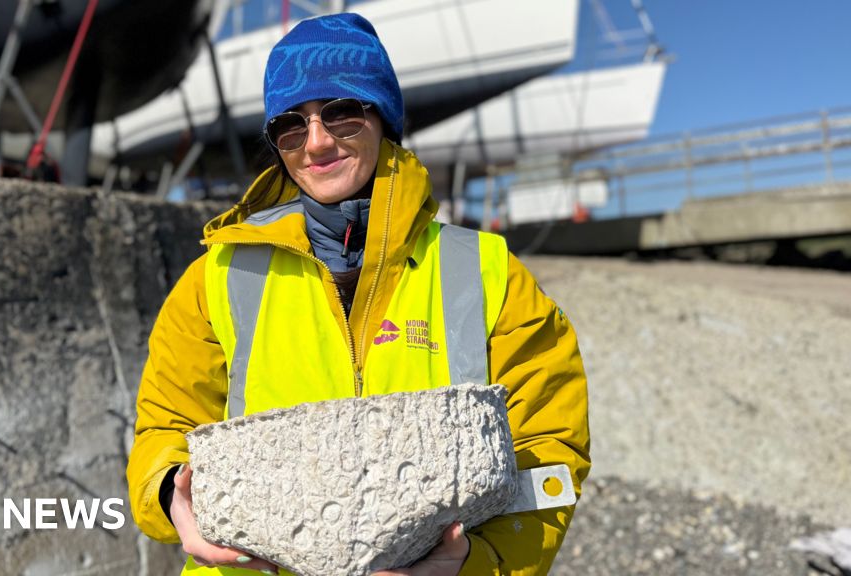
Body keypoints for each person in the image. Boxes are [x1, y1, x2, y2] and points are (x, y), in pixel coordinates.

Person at [127, 12, 590, 576]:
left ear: (383, 118)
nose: (317, 142)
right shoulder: (213, 279)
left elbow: (550, 448)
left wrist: (478, 563)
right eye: (291, 126)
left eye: (342, 113)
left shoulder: (487, 271)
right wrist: (169, 494)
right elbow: (164, 428)